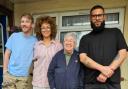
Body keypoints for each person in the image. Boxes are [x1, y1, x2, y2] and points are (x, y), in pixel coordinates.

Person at [79, 5, 128, 89]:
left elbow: (123, 53)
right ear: (90, 19)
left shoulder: (115, 32)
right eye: (94, 16)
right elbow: (83, 58)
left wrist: (107, 72)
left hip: (112, 84)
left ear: (104, 17)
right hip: (91, 84)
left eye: (99, 15)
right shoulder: (85, 38)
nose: (97, 18)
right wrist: (103, 69)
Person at [3, 13, 37, 89]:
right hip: (10, 75)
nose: (24, 24)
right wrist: (5, 71)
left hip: (24, 78)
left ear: (32, 25)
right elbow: (7, 54)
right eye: (22, 21)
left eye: (27, 21)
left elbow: (36, 58)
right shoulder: (14, 36)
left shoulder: (35, 41)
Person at [32, 16, 63, 89]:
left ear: (52, 29)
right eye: (43, 28)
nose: (45, 30)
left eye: (48, 27)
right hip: (38, 83)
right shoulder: (36, 45)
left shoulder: (58, 45)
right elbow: (33, 62)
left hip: (53, 83)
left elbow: (61, 65)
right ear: (40, 30)